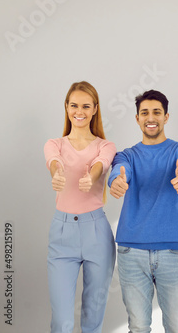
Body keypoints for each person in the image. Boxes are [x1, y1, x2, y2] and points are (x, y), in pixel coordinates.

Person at [108, 90, 178, 333]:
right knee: (138, 326)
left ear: (166, 117)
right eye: (145, 112)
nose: (151, 117)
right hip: (132, 251)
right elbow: (119, 168)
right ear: (137, 118)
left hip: (172, 251)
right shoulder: (127, 155)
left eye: (157, 112)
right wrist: (116, 180)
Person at [44, 81, 116, 333]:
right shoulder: (55, 144)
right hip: (62, 234)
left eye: (86, 106)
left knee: (92, 319)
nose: (80, 111)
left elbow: (102, 162)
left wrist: (92, 176)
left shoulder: (105, 146)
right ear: (66, 107)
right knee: (62, 320)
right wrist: (57, 172)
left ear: (95, 109)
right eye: (74, 105)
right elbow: (54, 161)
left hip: (96, 232)